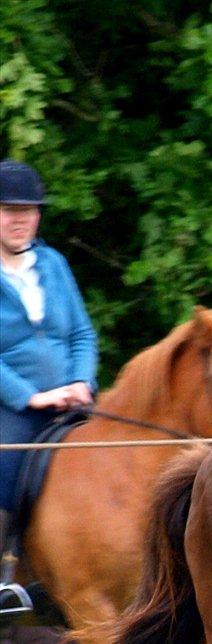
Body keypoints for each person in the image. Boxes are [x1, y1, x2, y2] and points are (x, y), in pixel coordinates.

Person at [0, 160, 98, 608]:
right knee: (5, 468)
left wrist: (81, 380)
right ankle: (7, 579)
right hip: (13, 409)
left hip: (71, 402)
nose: (20, 219)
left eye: (29, 209)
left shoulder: (54, 263)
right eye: (8, 209)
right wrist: (32, 395)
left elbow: (81, 333)